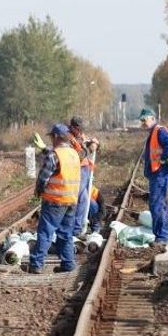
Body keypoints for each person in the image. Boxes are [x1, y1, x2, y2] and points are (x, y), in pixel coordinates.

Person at [28, 123, 81, 274]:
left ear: (57, 137)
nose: (51, 140)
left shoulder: (54, 155)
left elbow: (44, 176)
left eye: (52, 137)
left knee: (45, 232)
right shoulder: (74, 154)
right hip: (71, 201)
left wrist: (38, 190)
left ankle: (36, 264)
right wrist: (44, 149)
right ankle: (68, 264)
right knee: (65, 234)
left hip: (54, 201)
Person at [140, 108, 168, 244]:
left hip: (160, 174)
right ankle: (161, 236)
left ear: (152, 118)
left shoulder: (159, 131)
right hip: (156, 174)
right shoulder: (154, 132)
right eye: (141, 121)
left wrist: (162, 158)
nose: (143, 123)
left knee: (157, 205)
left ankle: (162, 237)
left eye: (144, 120)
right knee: (157, 205)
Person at [68, 116, 98, 237]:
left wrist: (94, 143)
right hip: (76, 170)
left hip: (85, 170)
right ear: (73, 127)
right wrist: (90, 149)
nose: (81, 131)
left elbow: (87, 144)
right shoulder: (68, 138)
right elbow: (77, 155)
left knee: (85, 200)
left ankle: (78, 228)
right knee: (80, 199)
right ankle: (75, 229)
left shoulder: (80, 135)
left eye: (81, 129)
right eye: (79, 129)